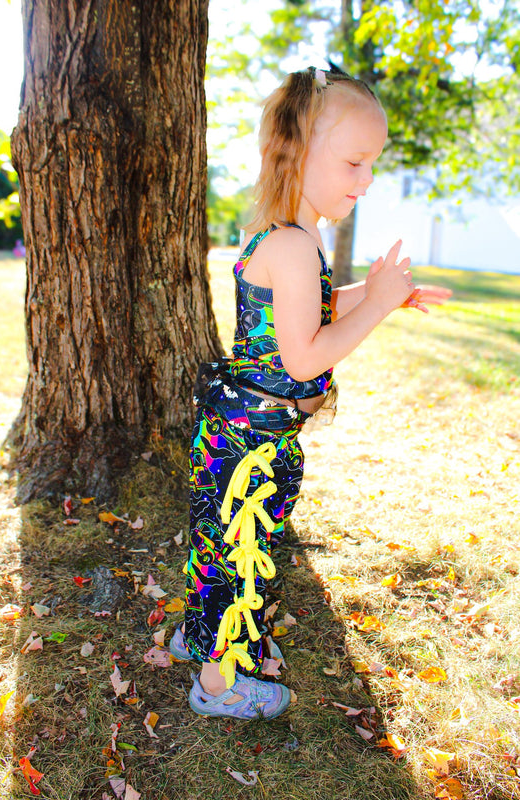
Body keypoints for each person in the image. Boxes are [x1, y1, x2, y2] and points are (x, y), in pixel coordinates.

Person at [169, 66, 451, 720]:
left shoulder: (283, 233)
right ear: (297, 150)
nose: (366, 179)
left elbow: (308, 309)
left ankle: (198, 636)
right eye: (354, 162)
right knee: (241, 555)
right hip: (253, 444)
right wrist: (374, 306)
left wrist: (377, 295)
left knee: (218, 543)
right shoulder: (296, 245)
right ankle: (218, 684)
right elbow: (304, 357)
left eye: (372, 164)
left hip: (243, 432)